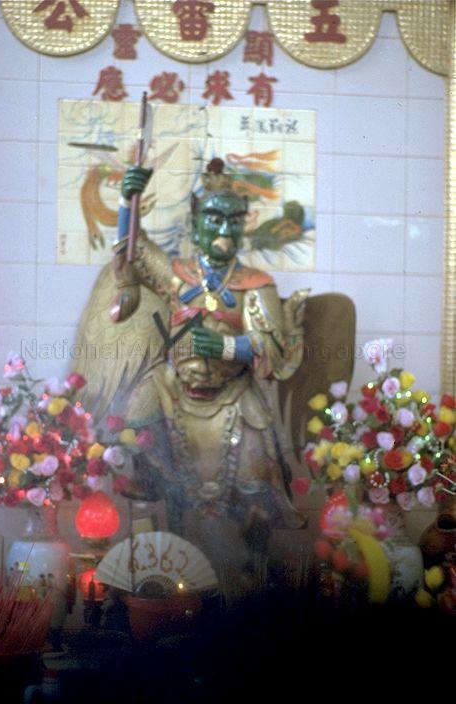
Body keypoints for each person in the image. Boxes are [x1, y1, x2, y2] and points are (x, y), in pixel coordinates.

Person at [112, 158, 307, 588]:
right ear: (196, 223)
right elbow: (133, 249)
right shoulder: (177, 276)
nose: (224, 229)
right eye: (214, 219)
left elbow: (272, 347)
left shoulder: (256, 284)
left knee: (257, 474)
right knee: (134, 420)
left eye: (234, 221)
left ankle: (252, 571)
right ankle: (153, 529)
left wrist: (226, 347)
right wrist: (128, 200)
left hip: (233, 394)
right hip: (174, 389)